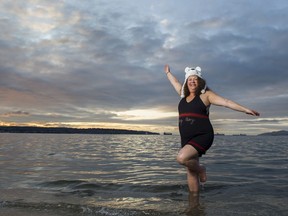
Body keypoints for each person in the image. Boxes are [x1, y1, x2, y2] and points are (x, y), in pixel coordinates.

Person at [164, 64, 260, 193]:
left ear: (200, 82)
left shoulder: (206, 95)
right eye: (190, 79)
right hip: (186, 138)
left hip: (203, 135)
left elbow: (226, 102)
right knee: (190, 170)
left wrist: (245, 109)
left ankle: (201, 169)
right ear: (187, 82)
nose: (192, 81)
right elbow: (175, 82)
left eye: (195, 79)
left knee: (182, 158)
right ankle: (194, 204)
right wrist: (168, 73)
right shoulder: (182, 94)